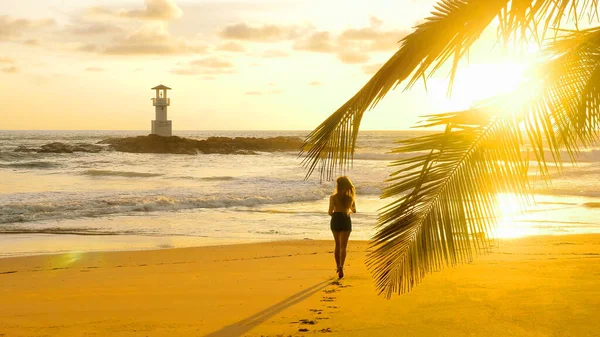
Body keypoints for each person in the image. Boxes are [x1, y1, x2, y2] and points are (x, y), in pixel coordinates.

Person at [328, 176, 356, 279]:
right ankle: (342, 266)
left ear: (338, 185)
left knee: (337, 245)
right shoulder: (350, 197)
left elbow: (330, 212)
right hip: (345, 219)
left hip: (336, 219)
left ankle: (337, 266)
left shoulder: (333, 197)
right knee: (343, 246)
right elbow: (354, 210)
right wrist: (347, 207)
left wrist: (335, 214)